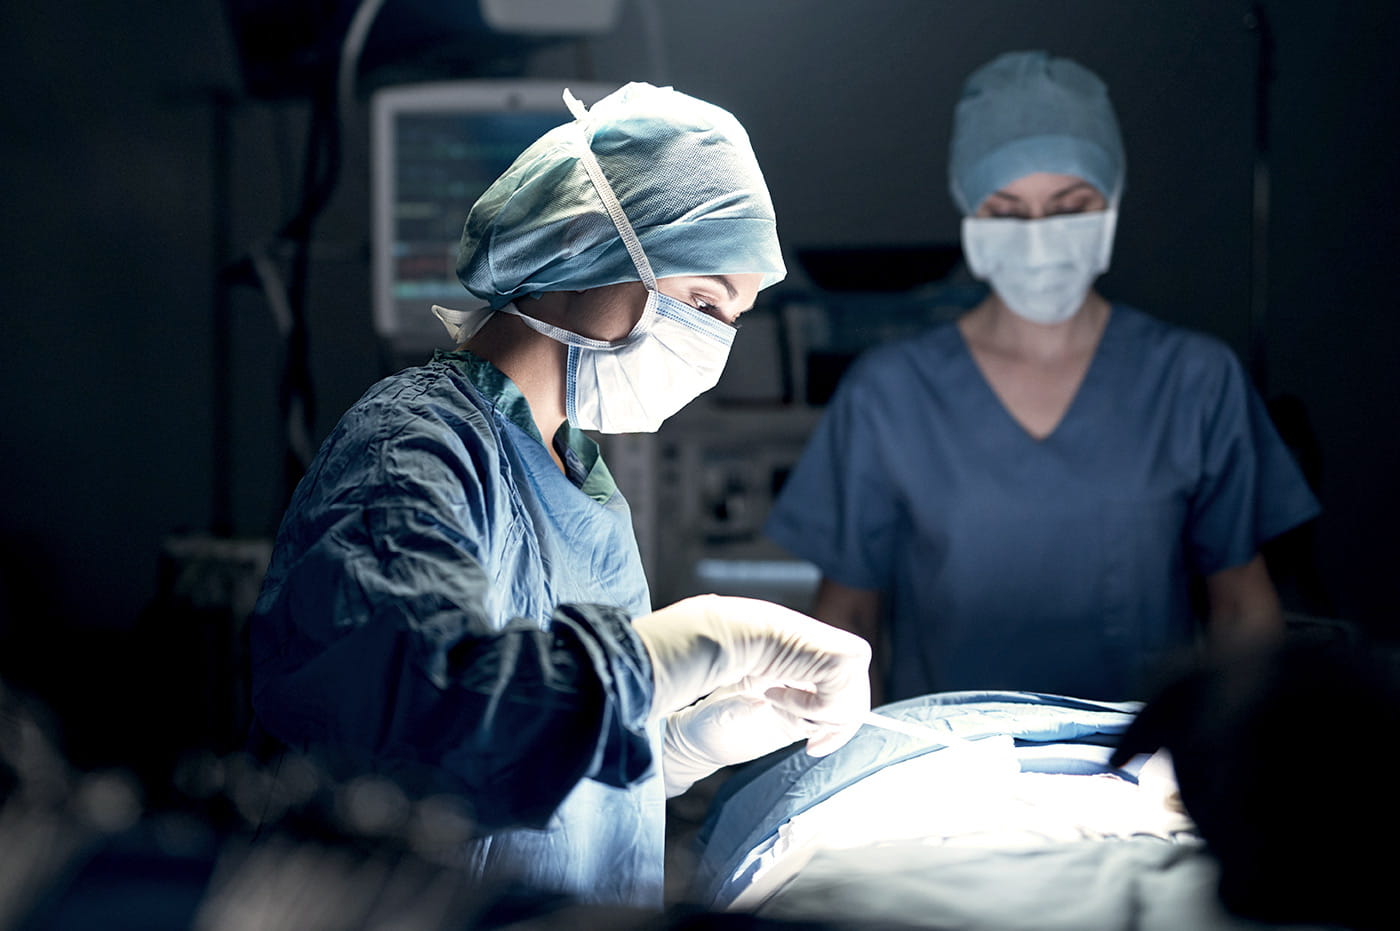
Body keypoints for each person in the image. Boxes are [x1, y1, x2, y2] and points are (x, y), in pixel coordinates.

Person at [247, 83, 871, 910]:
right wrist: (686, 647)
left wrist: (676, 742)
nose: (714, 343)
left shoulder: (584, 483)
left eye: (734, 317)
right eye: (703, 301)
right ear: (587, 244)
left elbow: (538, 736)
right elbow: (417, 733)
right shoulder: (410, 451)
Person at [764, 51, 1319, 705]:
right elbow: (846, 626)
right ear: (969, 212)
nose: (1037, 236)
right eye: (1006, 211)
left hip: (1137, 776)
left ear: (1110, 200)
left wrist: (1240, 781)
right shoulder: (891, 394)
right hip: (946, 774)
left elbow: (1241, 613)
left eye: (1068, 206)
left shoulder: (1194, 380)